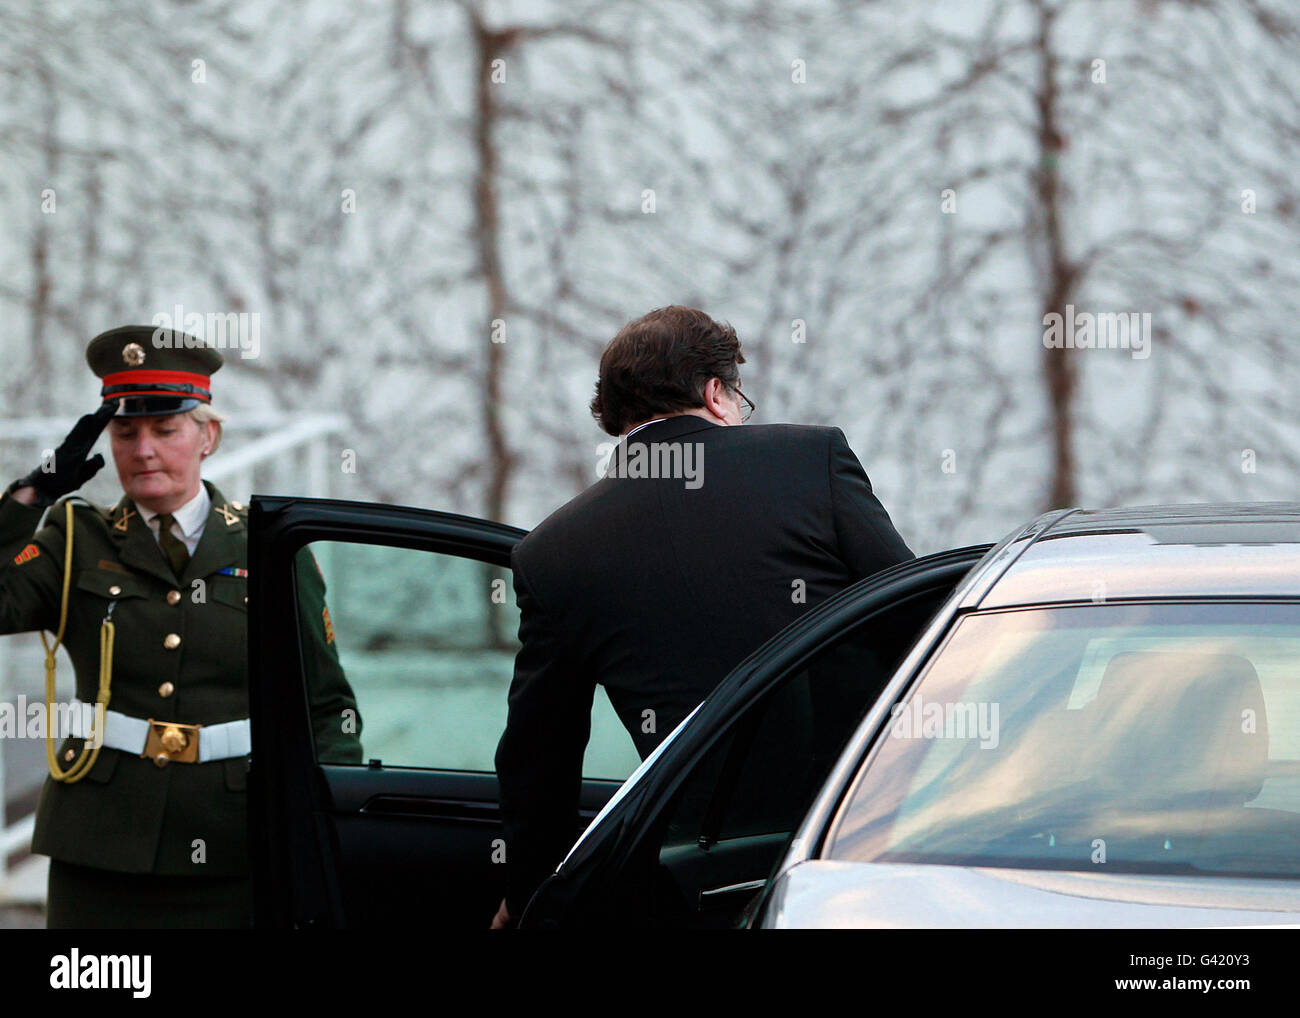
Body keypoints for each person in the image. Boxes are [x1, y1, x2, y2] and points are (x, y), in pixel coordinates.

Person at [491, 305, 913, 927]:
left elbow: (539, 759)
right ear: (715, 393)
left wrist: (527, 895)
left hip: (698, 876)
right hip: (864, 839)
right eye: (740, 394)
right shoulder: (810, 462)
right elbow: (916, 620)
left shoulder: (551, 551)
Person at [0, 324, 361, 928]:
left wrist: (323, 828)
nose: (143, 450)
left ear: (208, 436)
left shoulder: (270, 546)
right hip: (98, 849)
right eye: (125, 431)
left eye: (165, 430)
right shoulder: (73, 538)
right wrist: (30, 499)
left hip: (233, 847)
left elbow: (324, 707)